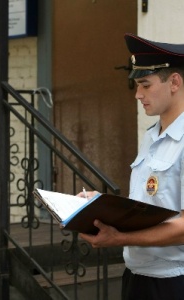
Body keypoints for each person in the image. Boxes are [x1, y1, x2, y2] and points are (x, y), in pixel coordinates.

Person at [79, 33, 184, 300]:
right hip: (137, 277)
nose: (138, 94)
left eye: (145, 85)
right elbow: (149, 203)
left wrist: (119, 237)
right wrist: (102, 204)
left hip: (172, 284)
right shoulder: (152, 136)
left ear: (174, 82)